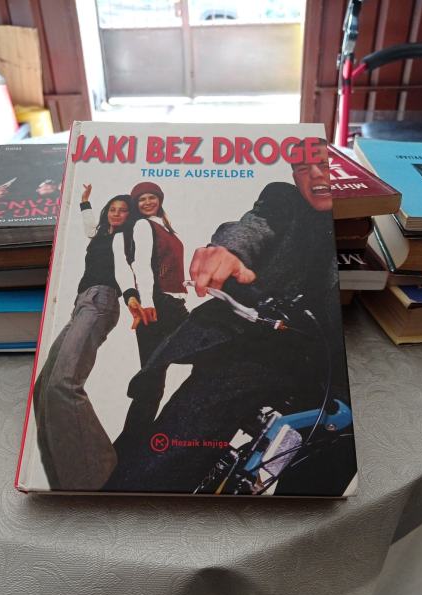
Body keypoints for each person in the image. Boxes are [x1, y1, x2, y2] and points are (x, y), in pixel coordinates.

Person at [107, 138, 354, 495]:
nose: (314, 175)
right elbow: (253, 225)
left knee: (323, 479)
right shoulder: (285, 200)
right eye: (302, 168)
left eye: (323, 165)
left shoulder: (364, 219)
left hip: (331, 372)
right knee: (168, 454)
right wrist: (226, 251)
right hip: (257, 350)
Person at [33, 185, 133, 490]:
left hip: (102, 301)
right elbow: (89, 226)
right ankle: (62, 481)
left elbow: (131, 271)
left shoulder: (127, 238)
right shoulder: (100, 234)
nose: (116, 213)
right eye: (112, 209)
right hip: (82, 304)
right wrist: (85, 202)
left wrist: (133, 298)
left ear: (129, 217)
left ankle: (99, 476)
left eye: (123, 210)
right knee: (43, 388)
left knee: (63, 384)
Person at [112, 181, 189, 459]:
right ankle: (126, 451)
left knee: (154, 382)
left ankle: (126, 448)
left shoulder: (165, 228)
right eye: (141, 199)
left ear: (159, 199)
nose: (147, 202)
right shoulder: (144, 226)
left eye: (151, 197)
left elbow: (166, 266)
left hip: (170, 303)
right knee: (154, 382)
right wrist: (146, 302)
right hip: (158, 305)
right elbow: (141, 265)